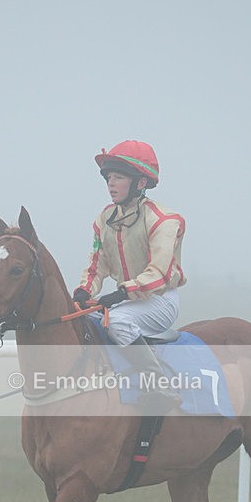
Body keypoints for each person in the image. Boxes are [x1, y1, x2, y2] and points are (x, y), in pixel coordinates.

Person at [72, 140, 187, 413]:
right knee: (83, 320)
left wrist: (121, 293)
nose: (111, 184)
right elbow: (96, 266)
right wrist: (83, 292)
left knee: (118, 322)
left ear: (139, 183)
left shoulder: (164, 220)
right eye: (109, 178)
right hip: (126, 299)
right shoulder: (105, 219)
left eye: (118, 177)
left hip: (159, 300)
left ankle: (159, 383)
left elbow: (158, 274)